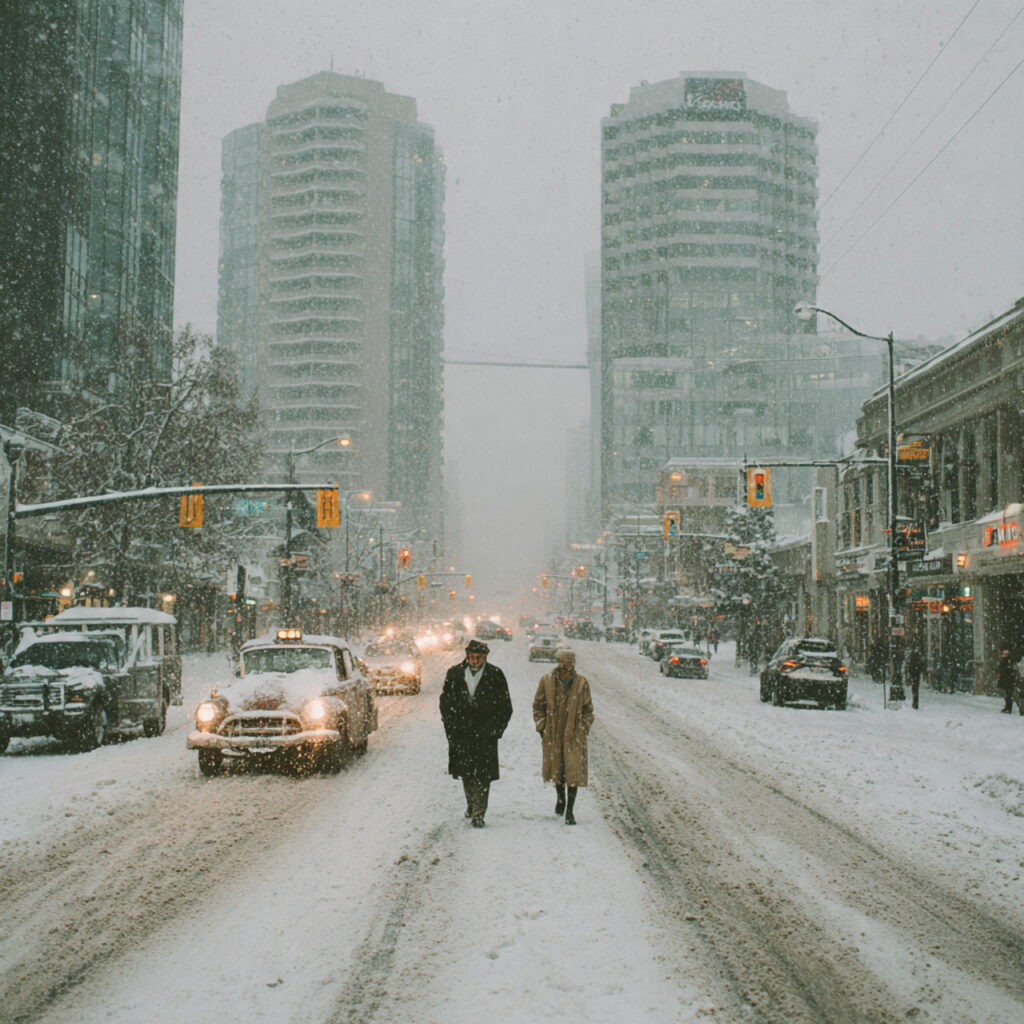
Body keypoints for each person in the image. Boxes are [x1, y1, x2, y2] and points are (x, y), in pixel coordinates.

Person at [439, 639, 513, 828]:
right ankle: (471, 804)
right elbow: (445, 703)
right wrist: (450, 726)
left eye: (478, 657)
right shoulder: (455, 674)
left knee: (482, 775)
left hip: (485, 735)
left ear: (485, 657)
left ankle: (479, 812)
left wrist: (495, 730)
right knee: (466, 773)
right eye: (471, 657)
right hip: (461, 733)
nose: (474, 660)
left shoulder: (495, 675)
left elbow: (505, 707)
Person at [532, 647, 594, 825]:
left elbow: (588, 710)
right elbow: (538, 705)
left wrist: (583, 727)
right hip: (553, 732)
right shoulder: (547, 681)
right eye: (563, 662)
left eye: (570, 663)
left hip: (574, 734)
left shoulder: (582, 683)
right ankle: (560, 797)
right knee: (557, 768)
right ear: (558, 662)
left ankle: (570, 810)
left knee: (573, 770)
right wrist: (542, 725)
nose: (567, 667)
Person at [996, 649, 1018, 714]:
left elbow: (1007, 670)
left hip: (1008, 680)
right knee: (1007, 694)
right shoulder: (1007, 661)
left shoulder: (1008, 661)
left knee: (1008, 694)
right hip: (1008, 680)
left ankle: (1008, 708)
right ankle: (1008, 707)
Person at [905, 645, 924, 710]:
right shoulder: (917, 657)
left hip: (913, 675)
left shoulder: (912, 657)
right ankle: (915, 703)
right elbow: (921, 665)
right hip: (916, 675)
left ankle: (915, 703)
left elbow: (908, 666)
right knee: (915, 689)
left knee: (914, 689)